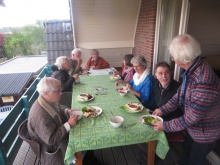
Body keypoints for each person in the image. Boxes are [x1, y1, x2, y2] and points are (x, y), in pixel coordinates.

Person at [153, 34, 220, 165]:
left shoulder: (203, 81)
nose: (172, 59)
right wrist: (162, 110)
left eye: (173, 56)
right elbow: (179, 96)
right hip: (194, 129)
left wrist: (165, 126)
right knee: (186, 154)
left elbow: (191, 118)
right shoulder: (192, 69)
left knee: (195, 161)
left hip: (205, 134)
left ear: (181, 58)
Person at [27, 77, 79, 165]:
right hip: (54, 151)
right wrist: (68, 124)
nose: (61, 93)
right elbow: (51, 140)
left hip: (57, 137)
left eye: (60, 89)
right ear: (46, 93)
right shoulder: (40, 114)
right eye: (57, 91)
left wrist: (67, 111)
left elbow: (57, 108)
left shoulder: (45, 101)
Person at [154, 61, 184, 142]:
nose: (164, 76)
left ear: (171, 74)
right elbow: (159, 104)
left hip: (172, 124)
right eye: (160, 73)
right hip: (160, 119)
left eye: (166, 72)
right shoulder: (157, 85)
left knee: (150, 135)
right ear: (156, 75)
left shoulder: (178, 89)